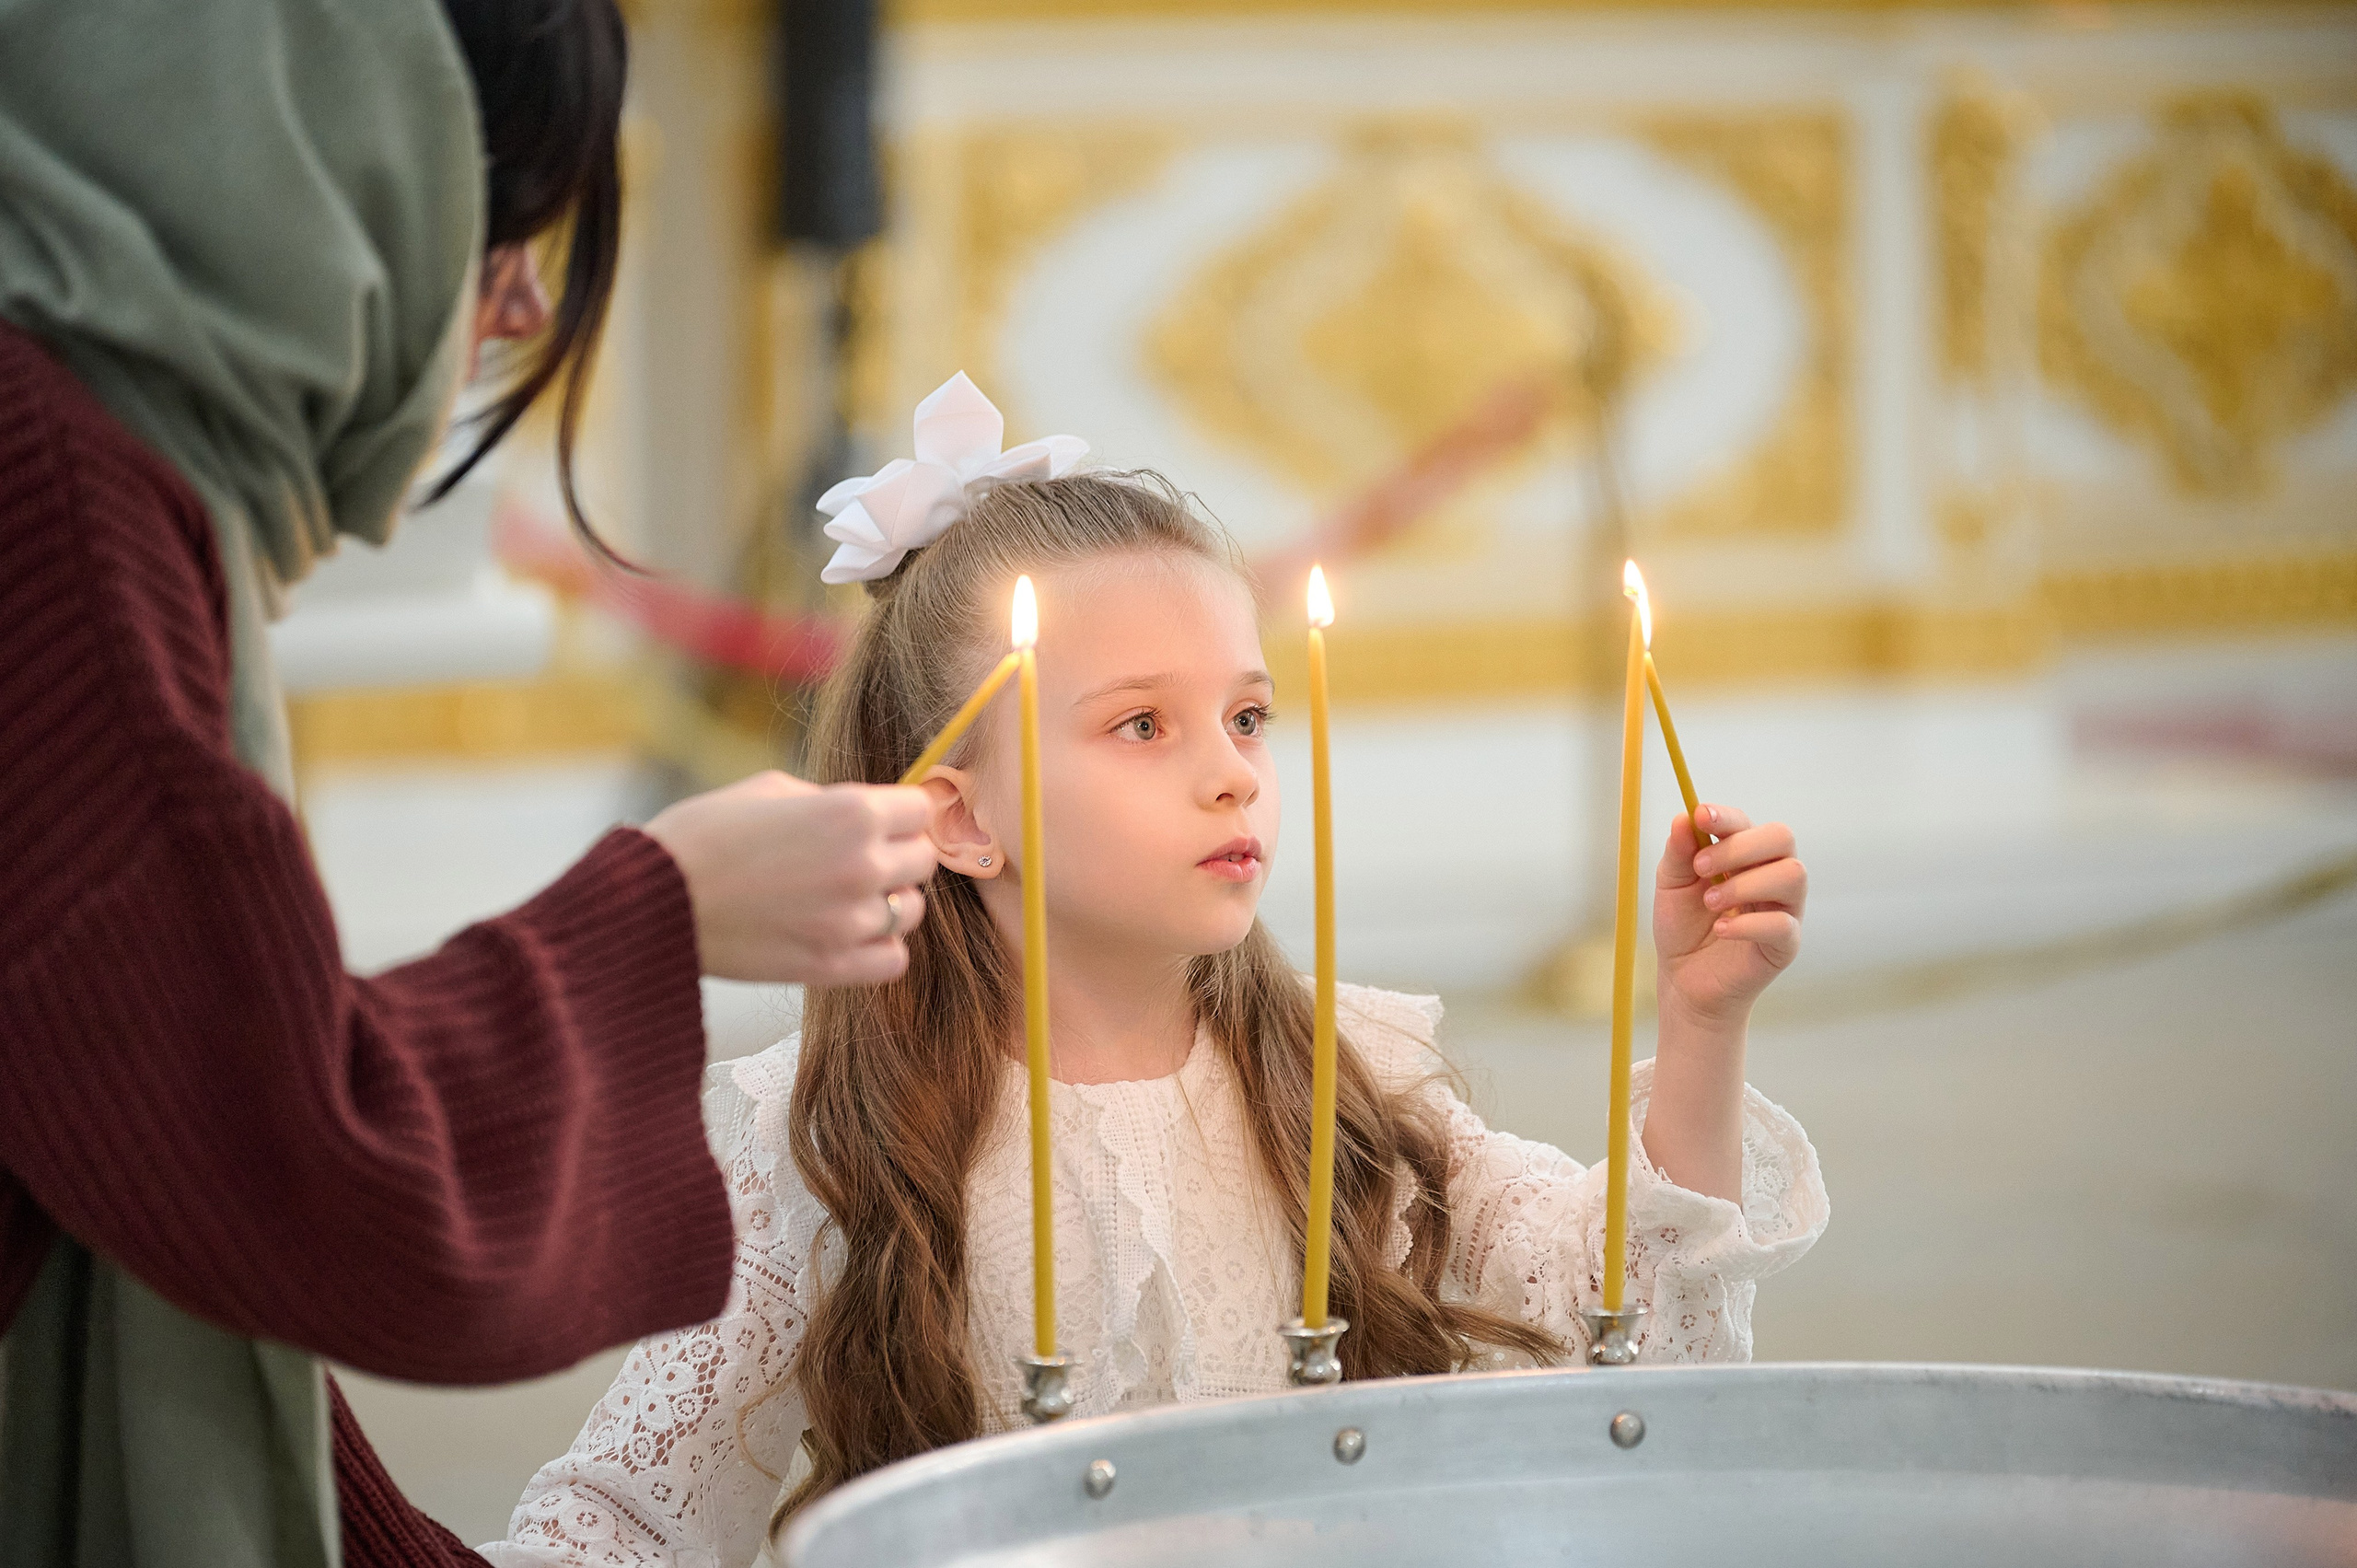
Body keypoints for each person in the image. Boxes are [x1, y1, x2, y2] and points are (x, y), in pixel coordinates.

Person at [485, 376, 1830, 1567]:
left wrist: (1702, 1024)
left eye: (1248, 715)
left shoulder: (1345, 1082)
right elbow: (624, 1523)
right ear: (961, 816)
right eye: (1142, 724)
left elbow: (1625, 1329)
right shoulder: (830, 1137)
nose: (1231, 772)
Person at [0, 2, 935, 1563]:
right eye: (491, 223)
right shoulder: (54, 490)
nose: (517, 306)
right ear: (325, 159)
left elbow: (146, 1183)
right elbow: (279, 1157)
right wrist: (663, 911)